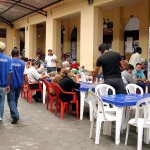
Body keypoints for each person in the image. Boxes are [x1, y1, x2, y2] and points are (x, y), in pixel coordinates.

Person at [7, 48, 28, 124]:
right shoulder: (23, 63)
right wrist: (26, 84)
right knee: (15, 99)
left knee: (10, 100)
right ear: (19, 55)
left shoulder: (9, 62)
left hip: (11, 84)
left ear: (11, 54)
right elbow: (25, 75)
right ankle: (14, 114)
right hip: (19, 84)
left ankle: (15, 115)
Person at [0, 42, 12, 124]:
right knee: (1, 102)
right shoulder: (8, 59)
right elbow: (9, 73)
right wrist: (8, 84)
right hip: (3, 85)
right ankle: (0, 118)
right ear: (4, 49)